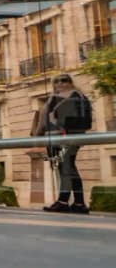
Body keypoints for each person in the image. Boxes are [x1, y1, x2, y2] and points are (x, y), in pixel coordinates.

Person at [37, 74, 92, 213]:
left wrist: (37, 135)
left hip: (62, 137)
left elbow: (44, 122)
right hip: (71, 136)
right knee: (68, 167)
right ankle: (78, 203)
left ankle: (64, 202)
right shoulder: (80, 95)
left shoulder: (58, 98)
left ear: (71, 82)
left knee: (66, 168)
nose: (61, 83)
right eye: (57, 81)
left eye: (64, 80)